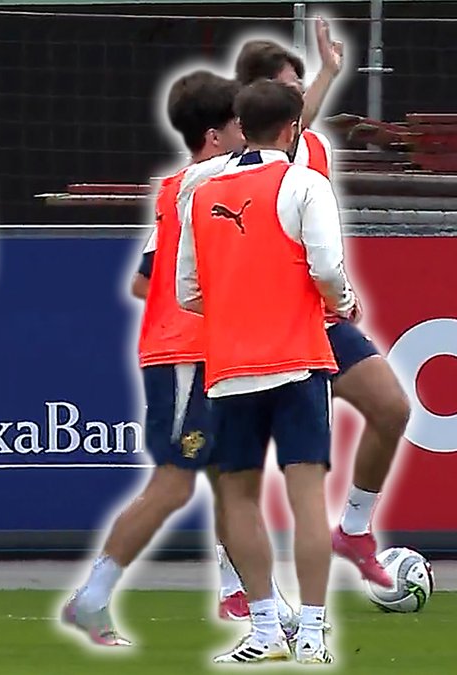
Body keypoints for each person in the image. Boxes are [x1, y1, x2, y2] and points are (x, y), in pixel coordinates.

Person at [209, 26, 403, 621]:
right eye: (289, 88)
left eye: (300, 88)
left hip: (319, 321)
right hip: (258, 329)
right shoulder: (226, 170)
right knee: (242, 472)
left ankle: (355, 530)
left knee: (392, 408)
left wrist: (328, 72)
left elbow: (298, 121)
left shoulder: (309, 149)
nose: (301, 97)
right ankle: (236, 583)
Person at [62, 70, 245, 649]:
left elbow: (145, 280)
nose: (249, 135)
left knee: (232, 481)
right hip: (185, 353)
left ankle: (260, 605)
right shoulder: (204, 183)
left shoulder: (188, 193)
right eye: (240, 124)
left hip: (208, 350)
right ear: (216, 135)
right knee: (173, 485)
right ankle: (91, 598)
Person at [178, 79, 357, 664]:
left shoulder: (200, 189)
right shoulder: (304, 182)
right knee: (307, 501)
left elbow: (186, 291)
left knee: (238, 500)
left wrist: (236, 303)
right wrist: (344, 302)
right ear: (292, 129)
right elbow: (326, 268)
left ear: (241, 125)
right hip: (298, 359)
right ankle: (312, 634)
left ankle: (263, 631)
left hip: (230, 366)